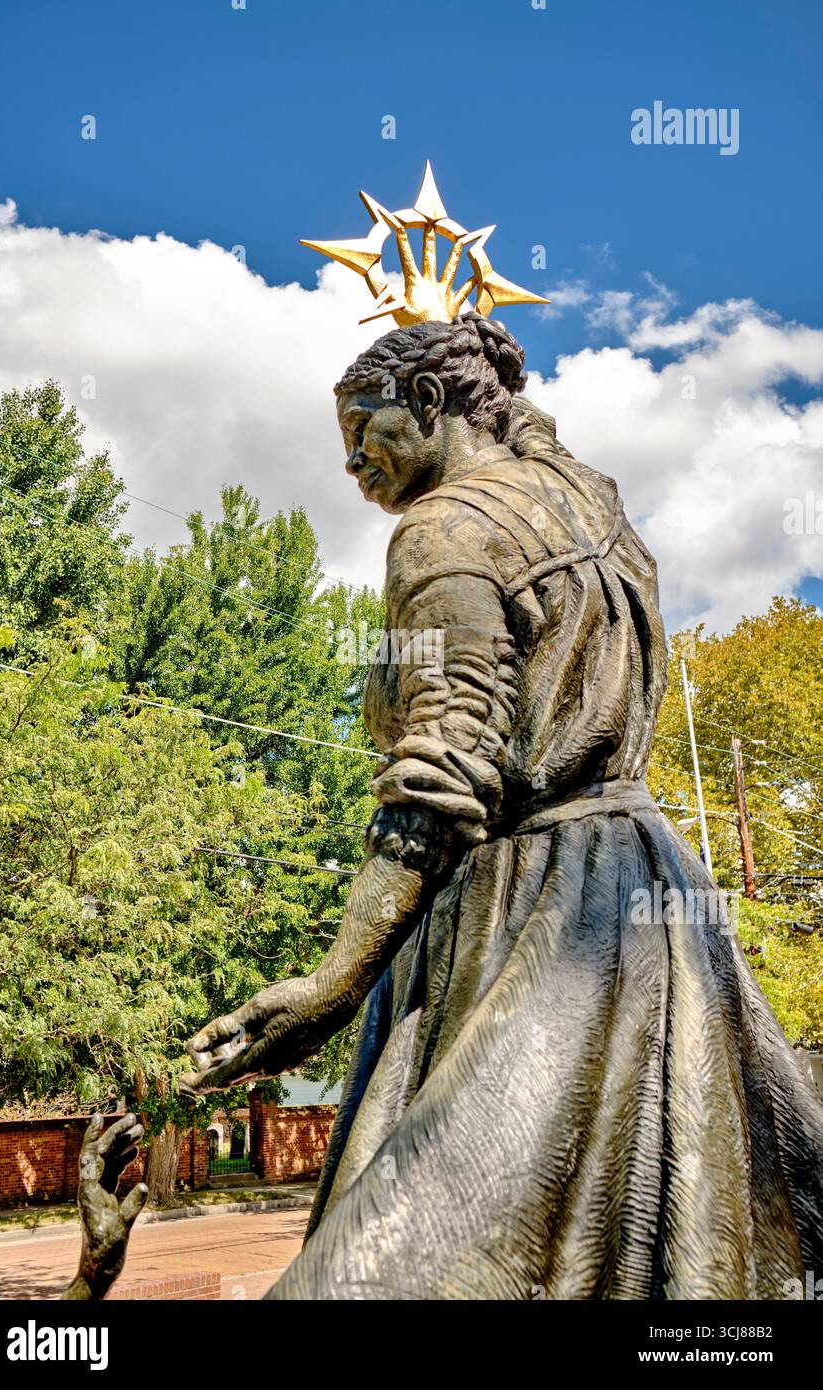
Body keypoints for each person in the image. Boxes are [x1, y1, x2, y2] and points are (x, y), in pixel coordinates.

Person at [174, 312, 823, 1299]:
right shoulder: (588, 501)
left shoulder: (440, 529)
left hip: (529, 921)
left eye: (363, 427)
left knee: (394, 1264)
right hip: (655, 910)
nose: (352, 460)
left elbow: (444, 763)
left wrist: (334, 982)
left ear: (428, 405)